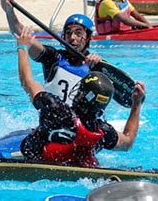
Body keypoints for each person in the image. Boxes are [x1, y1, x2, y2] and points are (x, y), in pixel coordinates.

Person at [16, 26, 145, 167]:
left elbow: (27, 82)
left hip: (40, 159)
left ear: (78, 93)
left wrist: (22, 47)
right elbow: (128, 141)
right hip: (80, 168)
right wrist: (136, 104)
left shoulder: (54, 109)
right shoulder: (102, 131)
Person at [0, 0, 104, 105]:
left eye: (78, 34)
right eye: (68, 33)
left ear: (88, 37)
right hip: (51, 118)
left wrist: (100, 67)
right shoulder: (53, 58)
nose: (72, 38)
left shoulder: (96, 66)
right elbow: (23, 36)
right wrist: (10, 12)